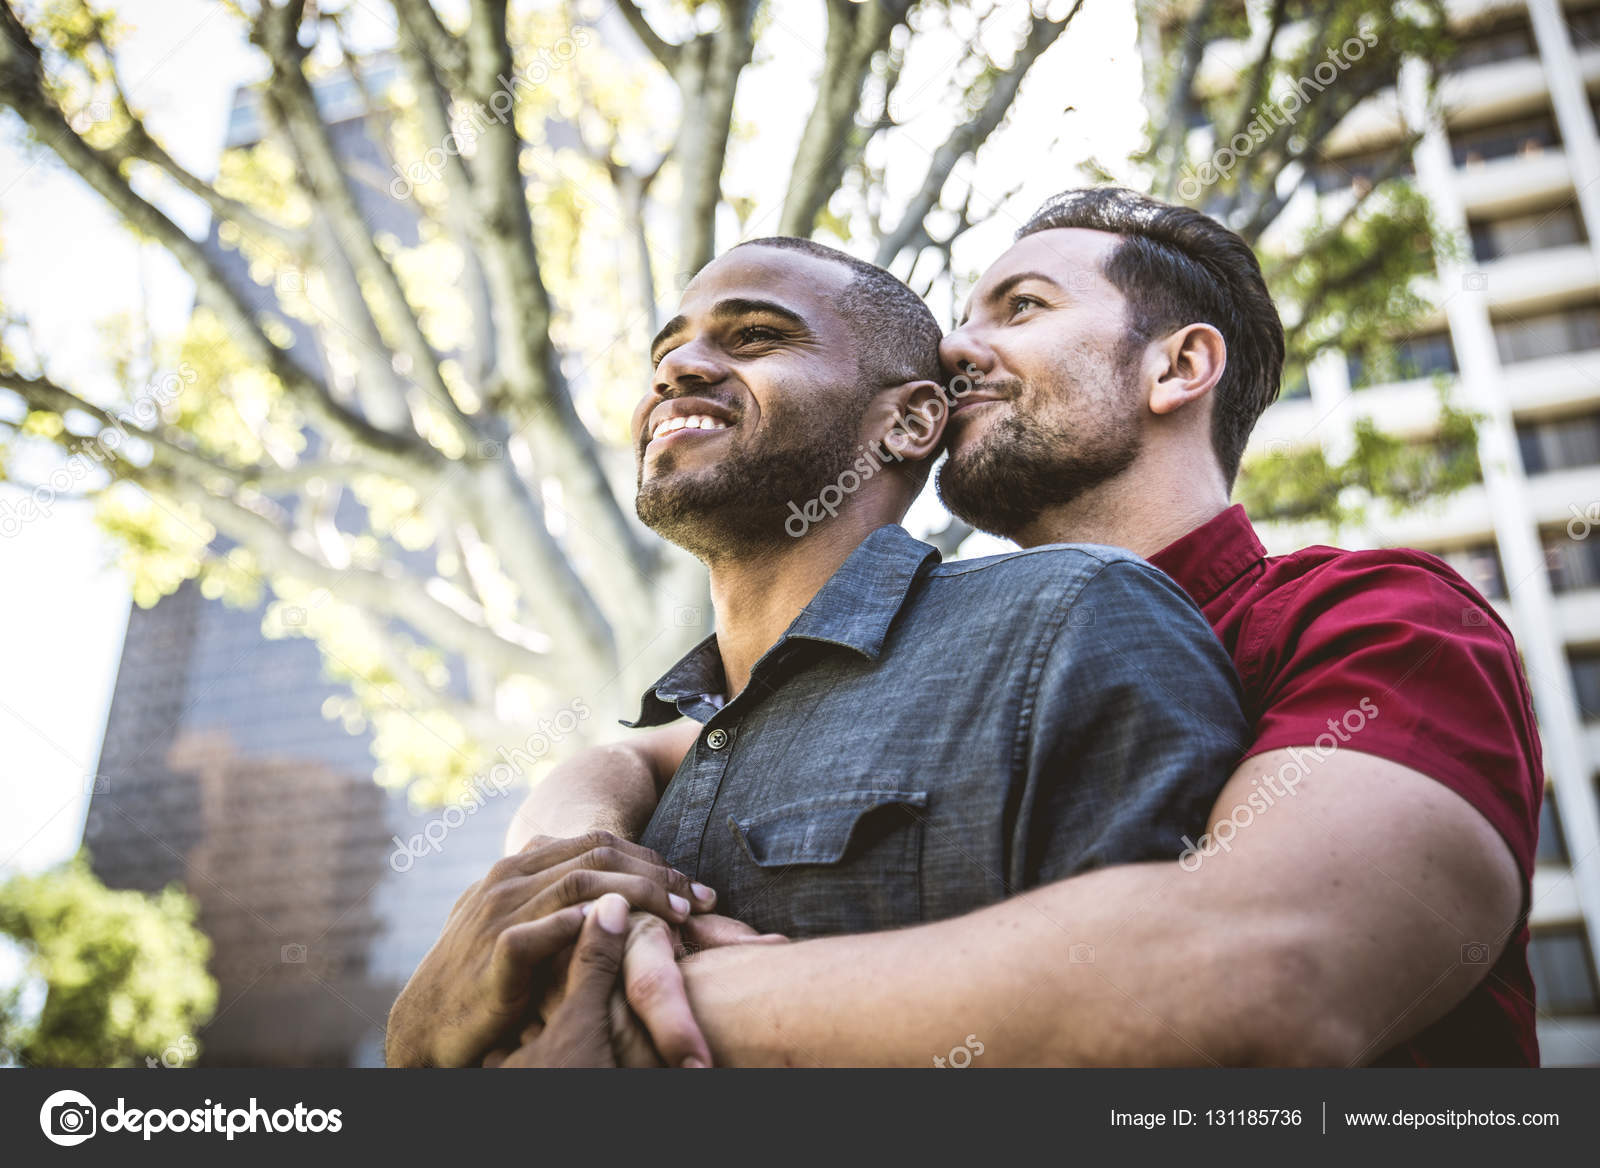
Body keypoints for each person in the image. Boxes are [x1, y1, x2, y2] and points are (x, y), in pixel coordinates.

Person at [476, 188, 1542, 1068]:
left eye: (1018, 309)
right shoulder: (910, 655)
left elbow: (1266, 974)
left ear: (1176, 367)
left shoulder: (1373, 616)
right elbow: (647, 747)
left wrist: (650, 1007)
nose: (954, 348)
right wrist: (569, 873)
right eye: (956, 323)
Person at [384, 232, 1249, 1067]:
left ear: (912, 422)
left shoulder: (1069, 618)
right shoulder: (650, 763)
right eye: (665, 357)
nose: (678, 373)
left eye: (757, 336)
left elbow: (1181, 1027)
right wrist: (418, 1034)